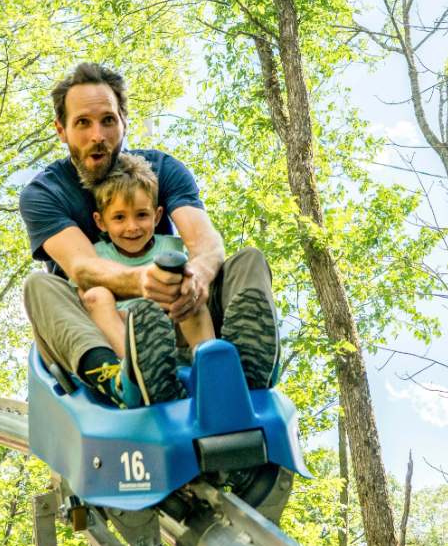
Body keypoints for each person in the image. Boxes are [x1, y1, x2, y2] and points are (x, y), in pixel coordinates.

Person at [19, 62, 280, 407]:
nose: (97, 135)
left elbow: (204, 240)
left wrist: (196, 276)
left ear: (124, 122)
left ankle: (240, 368)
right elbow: (83, 268)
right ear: (61, 130)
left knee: (249, 260)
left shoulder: (161, 170)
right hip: (100, 329)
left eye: (108, 120)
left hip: (180, 315)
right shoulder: (44, 193)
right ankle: (120, 378)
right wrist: (145, 280)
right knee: (38, 286)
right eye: (83, 123)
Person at [74, 152, 215, 407]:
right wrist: (127, 319)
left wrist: (188, 285)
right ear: (101, 221)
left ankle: (209, 360)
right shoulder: (95, 256)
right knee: (94, 294)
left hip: (173, 330)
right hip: (123, 336)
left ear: (157, 216)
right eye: (119, 217)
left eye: (141, 215)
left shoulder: (171, 247)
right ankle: (133, 371)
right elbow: (83, 300)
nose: (132, 227)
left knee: (188, 284)